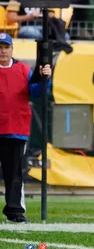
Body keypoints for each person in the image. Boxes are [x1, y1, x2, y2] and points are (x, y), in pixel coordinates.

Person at [0, 33, 52, 223]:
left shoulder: (23, 69)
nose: (3, 51)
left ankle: (15, 213)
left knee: (14, 174)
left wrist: (45, 78)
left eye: (6, 47)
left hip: (15, 129)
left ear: (12, 49)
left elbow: (37, 92)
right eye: (0, 47)